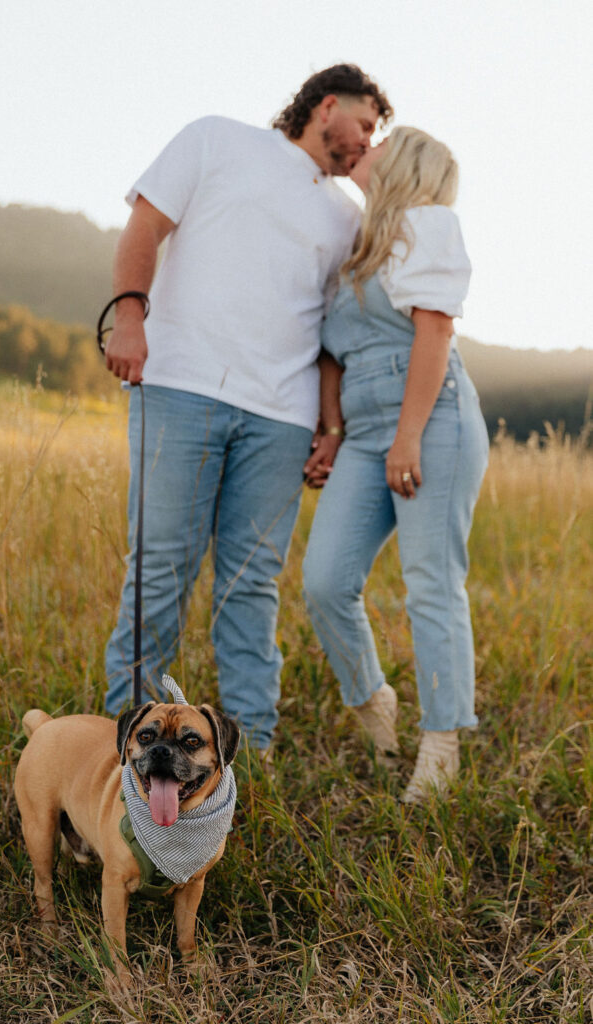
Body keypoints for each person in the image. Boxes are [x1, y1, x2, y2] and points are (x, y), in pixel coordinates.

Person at [103, 65, 393, 755]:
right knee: (159, 567)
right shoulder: (215, 140)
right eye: (365, 124)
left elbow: (332, 332)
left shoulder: (347, 215)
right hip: (181, 384)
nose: (367, 143)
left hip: (281, 417)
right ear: (327, 105)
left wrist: (329, 425)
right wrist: (129, 319)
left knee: (250, 583)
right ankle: (129, 743)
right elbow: (144, 226)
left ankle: (249, 746)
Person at [302, 126, 489, 802]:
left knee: (430, 582)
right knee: (324, 581)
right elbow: (329, 353)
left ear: (404, 162)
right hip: (362, 431)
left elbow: (434, 332)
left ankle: (440, 746)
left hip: (431, 419)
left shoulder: (427, 224)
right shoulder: (357, 245)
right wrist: (329, 430)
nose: (364, 146)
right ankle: (372, 701)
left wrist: (407, 437)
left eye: (380, 142)